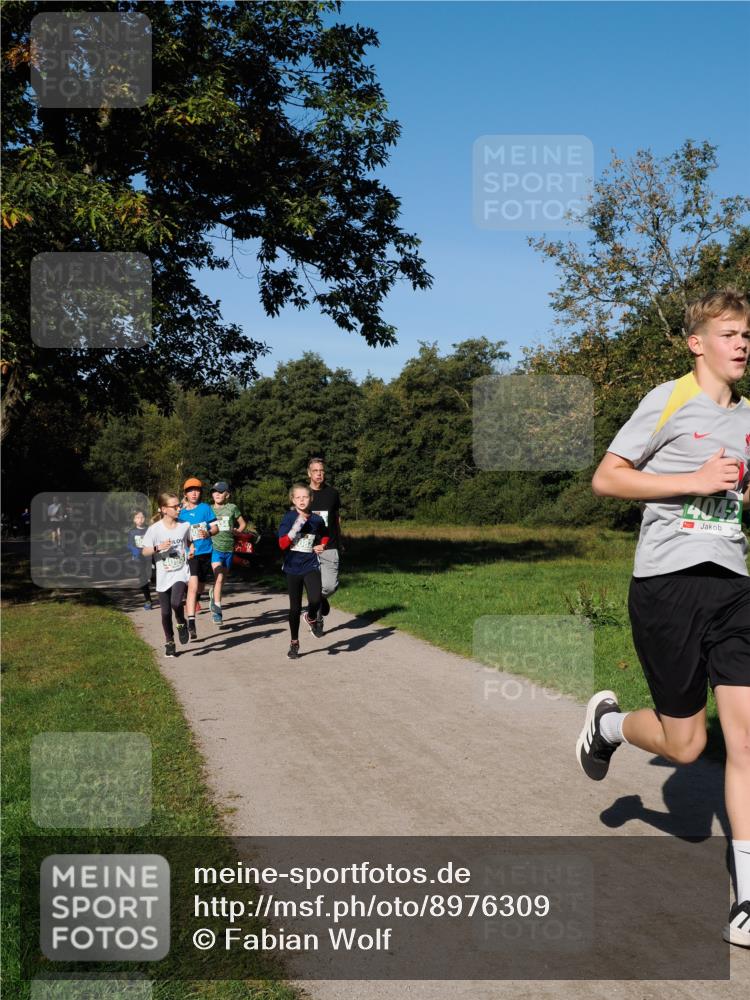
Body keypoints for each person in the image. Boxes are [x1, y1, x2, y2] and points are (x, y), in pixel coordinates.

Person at [577, 288, 750, 948]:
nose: (742, 344)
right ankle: (611, 725)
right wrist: (692, 482)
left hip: (734, 587)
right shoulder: (668, 399)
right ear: (697, 342)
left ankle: (746, 900)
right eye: (729, 333)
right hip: (667, 588)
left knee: (745, 739)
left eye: (748, 335)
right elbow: (608, 478)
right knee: (689, 746)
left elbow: (739, 492)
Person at [278, 483, 329, 659]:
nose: (301, 500)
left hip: (310, 564)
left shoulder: (316, 519)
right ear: (293, 499)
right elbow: (282, 544)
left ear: (311, 499)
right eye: (298, 497)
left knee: (315, 598)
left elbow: (325, 533)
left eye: (305, 497)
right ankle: (294, 642)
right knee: (294, 609)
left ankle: (311, 616)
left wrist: (322, 544)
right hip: (292, 567)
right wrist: (296, 527)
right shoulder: (288, 518)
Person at [140, 493, 193, 657]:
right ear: (164, 509)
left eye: (179, 505)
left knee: (176, 603)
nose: (179, 508)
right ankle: (169, 641)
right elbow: (144, 551)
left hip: (180, 572)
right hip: (163, 575)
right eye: (175, 506)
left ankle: (181, 622)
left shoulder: (185, 525)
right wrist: (158, 547)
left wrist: (192, 549)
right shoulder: (154, 529)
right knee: (165, 613)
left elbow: (190, 542)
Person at [177, 478, 218, 639]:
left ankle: (191, 600)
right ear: (185, 493)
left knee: (200, 587)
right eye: (190, 490)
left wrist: (208, 533)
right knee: (193, 586)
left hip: (206, 552)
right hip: (190, 554)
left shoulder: (205, 508)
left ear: (200, 492)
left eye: (197, 490)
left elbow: (215, 527)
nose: (194, 493)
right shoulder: (181, 512)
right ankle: (191, 623)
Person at [307, 457, 342, 628]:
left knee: (330, 586)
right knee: (314, 584)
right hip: (309, 547)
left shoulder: (332, 494)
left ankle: (320, 600)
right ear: (309, 473)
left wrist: (340, 540)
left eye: (321, 470)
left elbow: (337, 519)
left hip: (330, 544)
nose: (319, 474)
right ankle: (315, 618)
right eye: (315, 471)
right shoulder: (304, 494)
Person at [208, 481, 247, 625]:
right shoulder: (208, 509)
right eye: (214, 491)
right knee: (218, 578)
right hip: (215, 549)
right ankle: (217, 611)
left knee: (222, 580)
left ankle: (213, 595)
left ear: (227, 494)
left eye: (220, 491)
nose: (217, 494)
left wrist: (238, 531)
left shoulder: (232, 508)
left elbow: (242, 523)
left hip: (229, 549)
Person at [126, 509, 154, 610]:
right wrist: (135, 550)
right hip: (139, 558)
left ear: (145, 518)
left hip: (150, 557)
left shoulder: (149, 530)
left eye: (142, 517)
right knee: (142, 579)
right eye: (137, 517)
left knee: (154, 577)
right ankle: (148, 600)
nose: (140, 519)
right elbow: (129, 545)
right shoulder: (132, 532)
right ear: (134, 520)